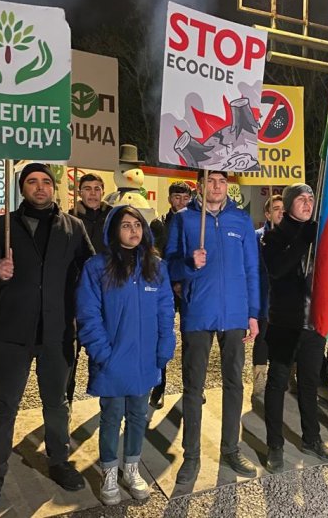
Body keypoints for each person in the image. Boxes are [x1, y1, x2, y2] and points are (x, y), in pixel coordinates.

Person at [0, 163, 94, 511]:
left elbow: (91, 269)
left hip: (58, 332)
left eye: (45, 182)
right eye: (32, 182)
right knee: (3, 406)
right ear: (21, 188)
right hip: (12, 331)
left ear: (54, 188)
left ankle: (59, 460)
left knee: (57, 404)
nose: (40, 188)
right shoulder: (3, 226)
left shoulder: (73, 227)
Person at [76, 205, 176, 505]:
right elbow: (88, 314)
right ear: (113, 231)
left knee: (137, 415)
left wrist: (163, 350)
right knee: (111, 417)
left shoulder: (155, 266)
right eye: (126, 225)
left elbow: (165, 311)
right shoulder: (97, 267)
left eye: (137, 225)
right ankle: (108, 471)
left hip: (145, 360)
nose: (133, 230)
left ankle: (131, 468)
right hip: (112, 360)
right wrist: (102, 353)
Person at [165, 170, 260, 483]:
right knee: (193, 387)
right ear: (200, 186)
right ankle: (191, 455)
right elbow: (170, 267)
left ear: (227, 187)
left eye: (222, 182)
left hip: (235, 314)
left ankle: (231, 449)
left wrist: (253, 313)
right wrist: (189, 263)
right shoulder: (183, 219)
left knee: (234, 384)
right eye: (210, 182)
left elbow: (251, 269)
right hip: (198, 312)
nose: (216, 187)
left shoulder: (241, 220)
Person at [261, 183, 328, 473]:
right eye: (301, 199)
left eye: (311, 199)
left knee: (309, 384)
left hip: (314, 322)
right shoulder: (274, 236)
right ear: (290, 203)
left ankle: (312, 439)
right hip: (285, 322)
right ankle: (275, 445)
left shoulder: (319, 234)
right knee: (277, 383)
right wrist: (303, 240)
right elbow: (278, 269)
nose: (307, 203)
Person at [67, 173, 112, 406]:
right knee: (70, 352)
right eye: (87, 188)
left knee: (103, 347)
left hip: (106, 294)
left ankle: (106, 400)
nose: (92, 193)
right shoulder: (68, 219)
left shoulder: (113, 217)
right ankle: (67, 402)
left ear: (103, 191)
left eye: (97, 188)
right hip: (76, 293)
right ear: (79, 192)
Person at [149, 180, 192, 409]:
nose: (181, 201)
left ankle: (193, 386)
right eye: (177, 197)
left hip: (187, 287)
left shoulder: (197, 221)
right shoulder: (158, 224)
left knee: (191, 340)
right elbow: (156, 255)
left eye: (186, 198)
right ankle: (159, 386)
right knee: (162, 336)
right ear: (169, 199)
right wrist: (171, 281)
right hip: (164, 288)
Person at [253, 194, 284, 400]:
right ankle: (259, 380)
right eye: (275, 208)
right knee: (263, 339)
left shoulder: (293, 234)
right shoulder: (257, 237)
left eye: (283, 208)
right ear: (267, 213)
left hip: (287, 300)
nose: (281, 212)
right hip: (265, 297)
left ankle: (282, 378)